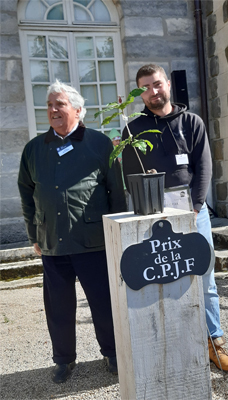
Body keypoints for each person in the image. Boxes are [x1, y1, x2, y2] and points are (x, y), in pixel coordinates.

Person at [122, 64, 228, 373]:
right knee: (159, 280)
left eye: (157, 84)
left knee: (205, 279)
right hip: (151, 215)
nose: (152, 91)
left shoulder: (192, 122)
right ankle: (172, 344)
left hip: (192, 212)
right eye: (145, 87)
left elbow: (204, 168)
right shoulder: (133, 131)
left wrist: (197, 209)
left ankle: (214, 343)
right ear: (140, 93)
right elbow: (128, 174)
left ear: (168, 85)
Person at [18, 80, 127, 383]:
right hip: (53, 242)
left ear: (78, 110)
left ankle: (113, 352)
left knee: (103, 302)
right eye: (49, 105)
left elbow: (116, 191)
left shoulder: (99, 143)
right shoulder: (34, 149)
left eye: (59, 104)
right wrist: (34, 234)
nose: (52, 109)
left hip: (93, 241)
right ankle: (63, 359)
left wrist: (116, 233)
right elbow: (26, 194)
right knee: (58, 308)